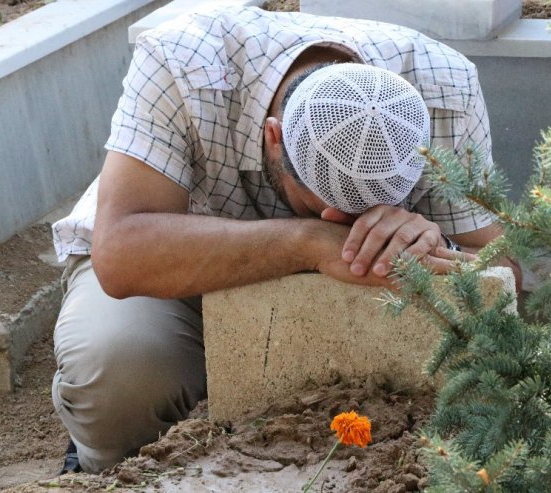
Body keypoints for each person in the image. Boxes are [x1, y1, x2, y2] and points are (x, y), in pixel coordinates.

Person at [50, 5, 516, 473]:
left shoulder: (445, 86)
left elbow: (502, 274)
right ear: (275, 139)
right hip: (181, 256)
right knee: (122, 368)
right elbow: (123, 251)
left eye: (365, 210)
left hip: (354, 277)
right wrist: (306, 242)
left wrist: (438, 246)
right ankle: (106, 468)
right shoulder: (185, 60)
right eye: (321, 206)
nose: (341, 222)